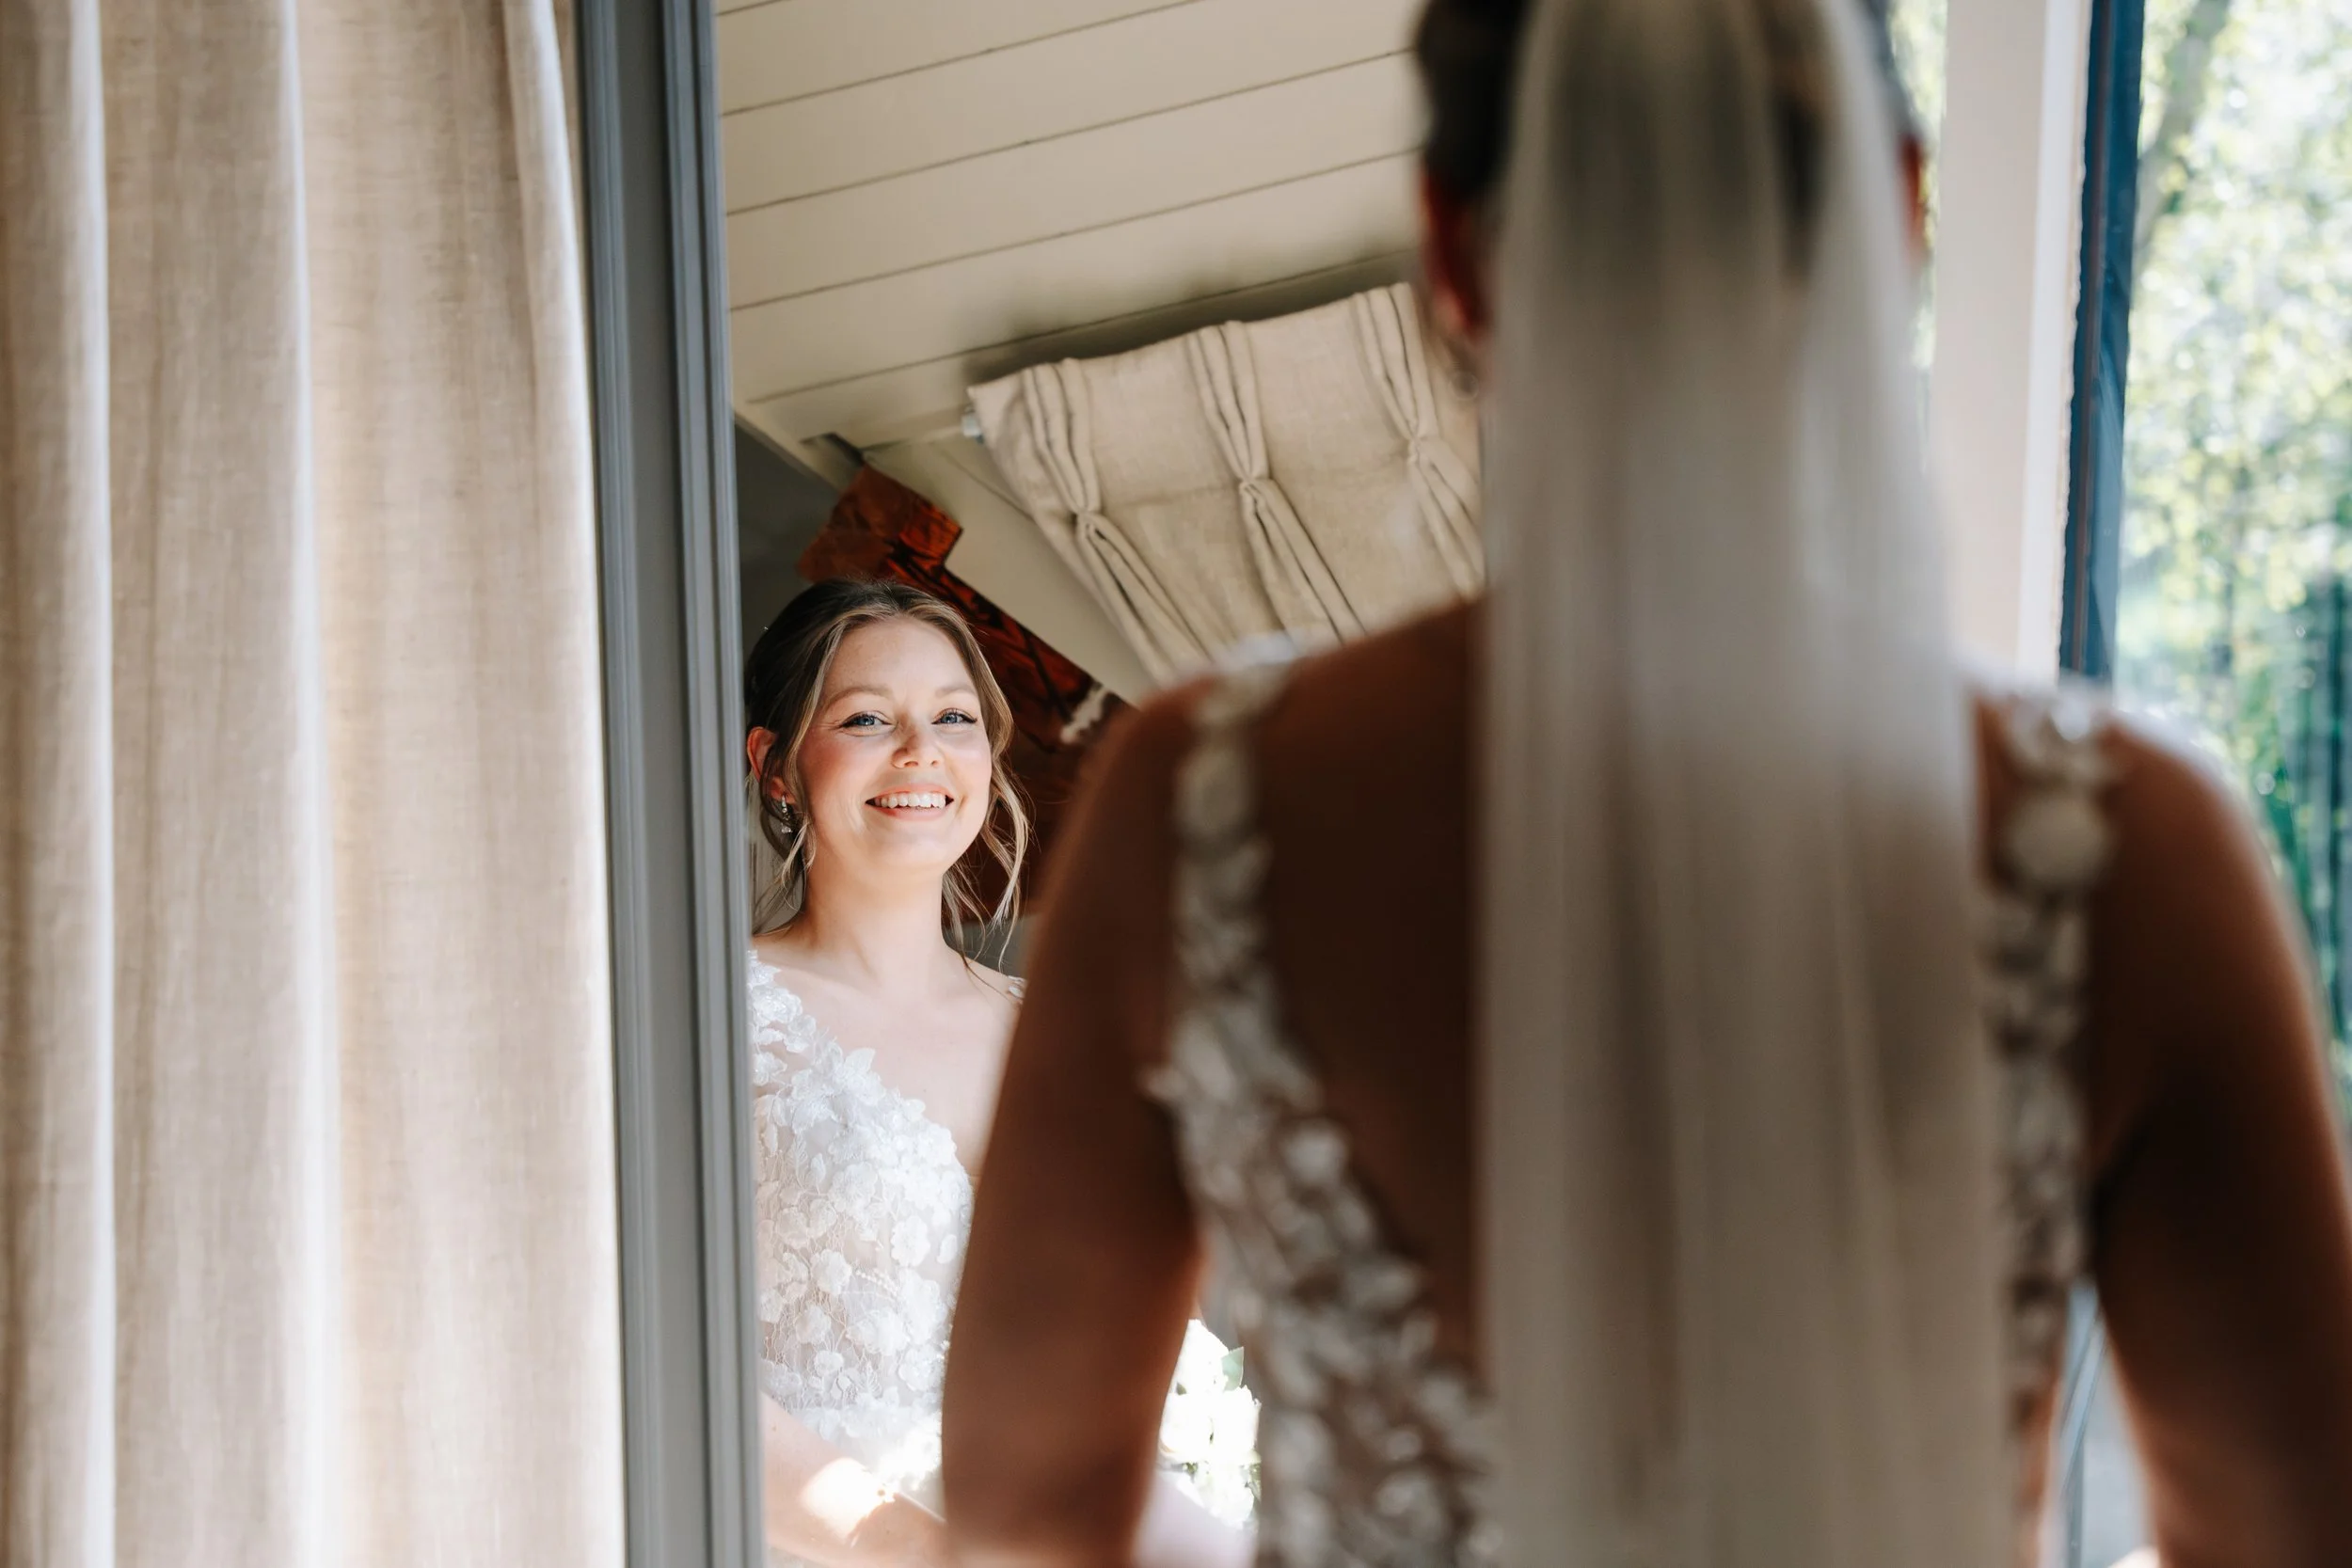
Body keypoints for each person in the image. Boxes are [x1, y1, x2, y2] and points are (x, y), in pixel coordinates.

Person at [939, 1, 2352, 1566]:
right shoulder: (2126, 847)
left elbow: (1027, 1501)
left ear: (1455, 252)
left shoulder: (1200, 807)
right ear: (1898, 213)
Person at [740, 580, 1249, 1568]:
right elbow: (674, 1353)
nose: (919, 750)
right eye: (864, 718)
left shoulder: (1057, 1027)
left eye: (952, 717)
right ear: (777, 767)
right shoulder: (712, 1017)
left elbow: (1146, 1334)